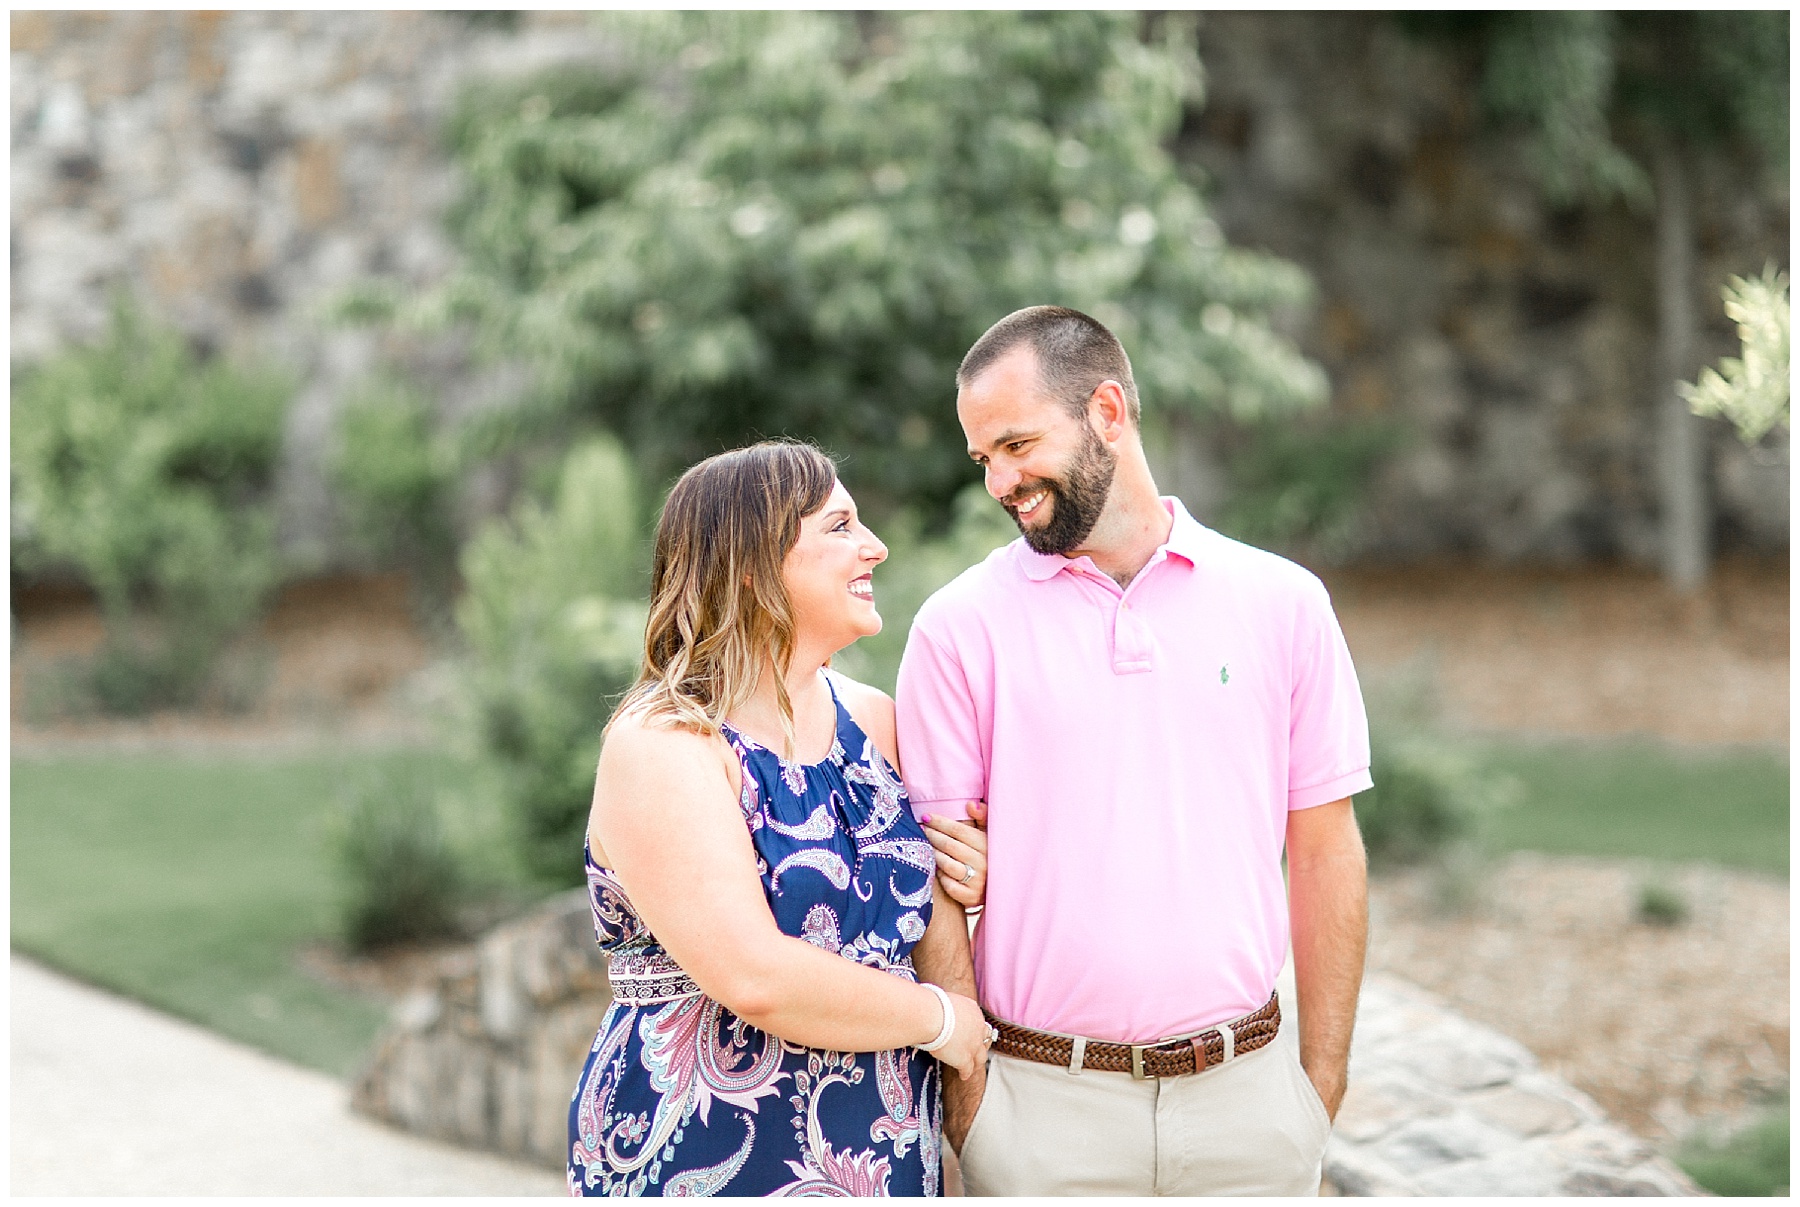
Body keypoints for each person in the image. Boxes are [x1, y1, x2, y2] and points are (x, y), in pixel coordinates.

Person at [895, 306, 1372, 1196]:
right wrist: (974, 1109)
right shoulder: (957, 631)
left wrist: (1321, 1082)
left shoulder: (1285, 603)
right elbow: (937, 888)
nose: (1000, 480)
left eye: (1016, 443)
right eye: (982, 459)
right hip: (1041, 1117)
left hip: (1251, 1110)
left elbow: (1326, 846)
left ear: (1107, 411)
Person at [569, 440, 994, 1197]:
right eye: (839, 527)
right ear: (751, 565)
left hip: (883, 1149)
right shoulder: (664, 742)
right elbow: (754, 974)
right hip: (707, 1148)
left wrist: (974, 875)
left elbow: (925, 919)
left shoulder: (877, 722)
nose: (875, 547)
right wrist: (942, 1020)